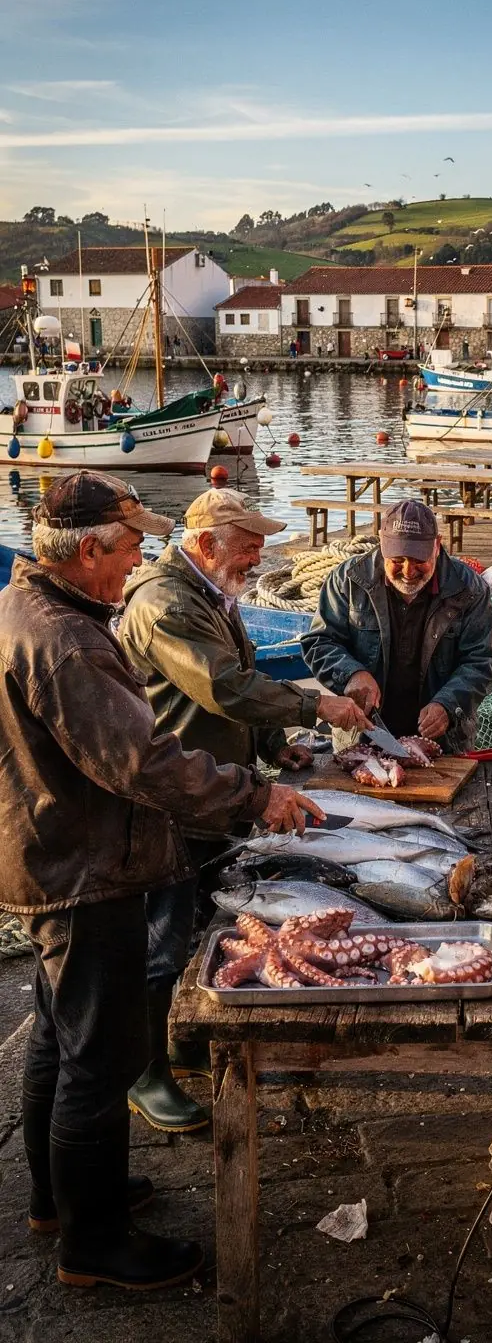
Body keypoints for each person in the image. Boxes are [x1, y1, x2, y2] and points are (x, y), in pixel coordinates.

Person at [0, 471, 324, 1293]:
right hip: (84, 865)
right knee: (98, 1057)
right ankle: (93, 1242)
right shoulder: (69, 639)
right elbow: (140, 761)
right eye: (130, 545)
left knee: (59, 1037)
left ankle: (60, 1198)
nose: (139, 558)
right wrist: (255, 794)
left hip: (48, 851)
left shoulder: (35, 607)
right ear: (87, 552)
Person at [118, 489, 370, 1131]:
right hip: (170, 797)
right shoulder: (164, 601)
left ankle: (180, 1039)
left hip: (214, 790)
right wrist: (314, 706)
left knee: (204, 917)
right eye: (248, 543)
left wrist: (271, 744)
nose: (260, 555)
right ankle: (145, 1075)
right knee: (161, 938)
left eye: (261, 542)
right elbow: (223, 687)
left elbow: (237, 675)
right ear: (206, 544)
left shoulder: (210, 591)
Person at [301, 499, 492, 753]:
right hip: (361, 733)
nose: (408, 571)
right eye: (398, 559)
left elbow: (482, 660)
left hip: (445, 741)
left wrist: (449, 704)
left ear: (437, 546)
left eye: (419, 560)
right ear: (381, 543)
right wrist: (351, 673)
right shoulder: (347, 580)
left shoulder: (470, 589)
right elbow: (319, 642)